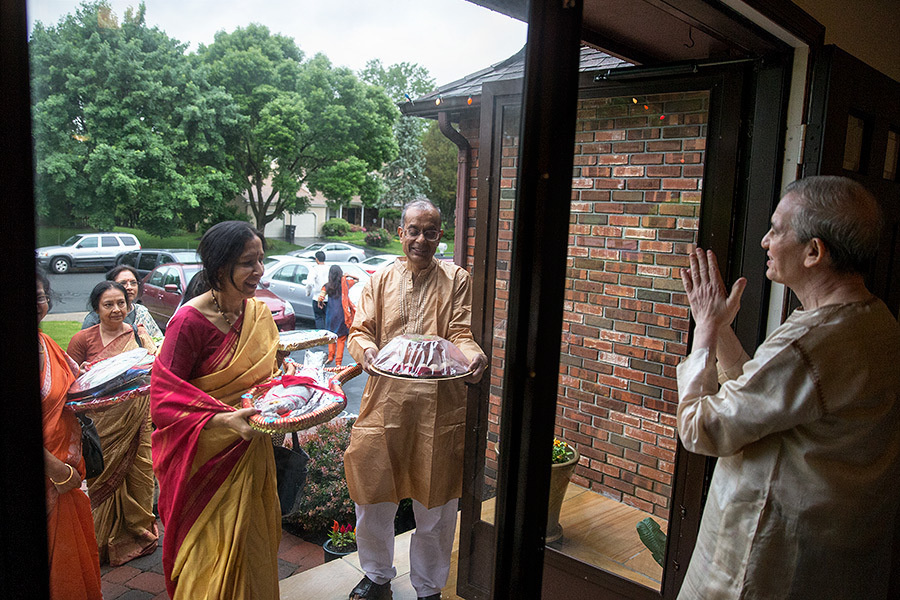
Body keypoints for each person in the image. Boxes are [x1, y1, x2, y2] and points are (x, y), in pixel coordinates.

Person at [676, 176, 900, 599]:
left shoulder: (813, 341)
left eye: (777, 230)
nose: (764, 241)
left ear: (814, 252)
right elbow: (764, 399)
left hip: (766, 567)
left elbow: (700, 426)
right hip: (830, 558)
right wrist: (722, 329)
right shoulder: (875, 321)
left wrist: (704, 329)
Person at [345, 198, 488, 600]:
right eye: (413, 230)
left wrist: (473, 356)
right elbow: (360, 331)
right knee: (373, 497)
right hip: (383, 405)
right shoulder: (378, 281)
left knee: (437, 507)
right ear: (401, 233)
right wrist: (366, 352)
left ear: (440, 236)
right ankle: (376, 577)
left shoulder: (456, 279)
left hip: (439, 410)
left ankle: (428, 589)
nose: (421, 239)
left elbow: (461, 333)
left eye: (429, 231)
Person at [150, 221, 294, 599]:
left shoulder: (258, 315)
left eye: (261, 260)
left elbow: (265, 375)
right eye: (249, 262)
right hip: (205, 461)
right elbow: (163, 401)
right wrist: (222, 420)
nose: (259, 271)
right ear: (219, 269)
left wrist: (288, 379)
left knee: (252, 547)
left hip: (252, 452)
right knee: (208, 563)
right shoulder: (188, 322)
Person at [67, 281, 159, 566]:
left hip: (138, 419)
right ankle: (103, 540)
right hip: (102, 426)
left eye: (121, 303)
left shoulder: (138, 333)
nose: (117, 309)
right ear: (96, 308)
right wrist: (81, 373)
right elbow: (70, 384)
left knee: (141, 473)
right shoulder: (83, 339)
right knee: (102, 475)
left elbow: (152, 371)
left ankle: (139, 532)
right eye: (108, 304)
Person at [37, 268, 103, 599]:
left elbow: (75, 387)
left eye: (39, 296)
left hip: (66, 471)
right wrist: (57, 470)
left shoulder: (46, 342)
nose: (36, 304)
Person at [81, 265, 163, 338]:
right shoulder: (95, 319)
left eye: (133, 283)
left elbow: (157, 338)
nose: (129, 287)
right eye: (123, 283)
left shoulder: (142, 312)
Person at [318, 264, 358, 367]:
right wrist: (348, 275)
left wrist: (320, 303)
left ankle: (331, 356)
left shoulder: (327, 286)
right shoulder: (346, 284)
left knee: (331, 337)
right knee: (341, 339)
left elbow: (321, 297)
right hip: (342, 315)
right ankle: (338, 363)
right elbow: (357, 279)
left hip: (331, 315)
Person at [306, 250, 329, 329]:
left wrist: (308, 293)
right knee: (327, 318)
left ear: (316, 259)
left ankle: (321, 337)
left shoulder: (314, 269)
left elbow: (309, 283)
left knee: (319, 318)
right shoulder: (329, 269)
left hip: (317, 297)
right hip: (328, 297)